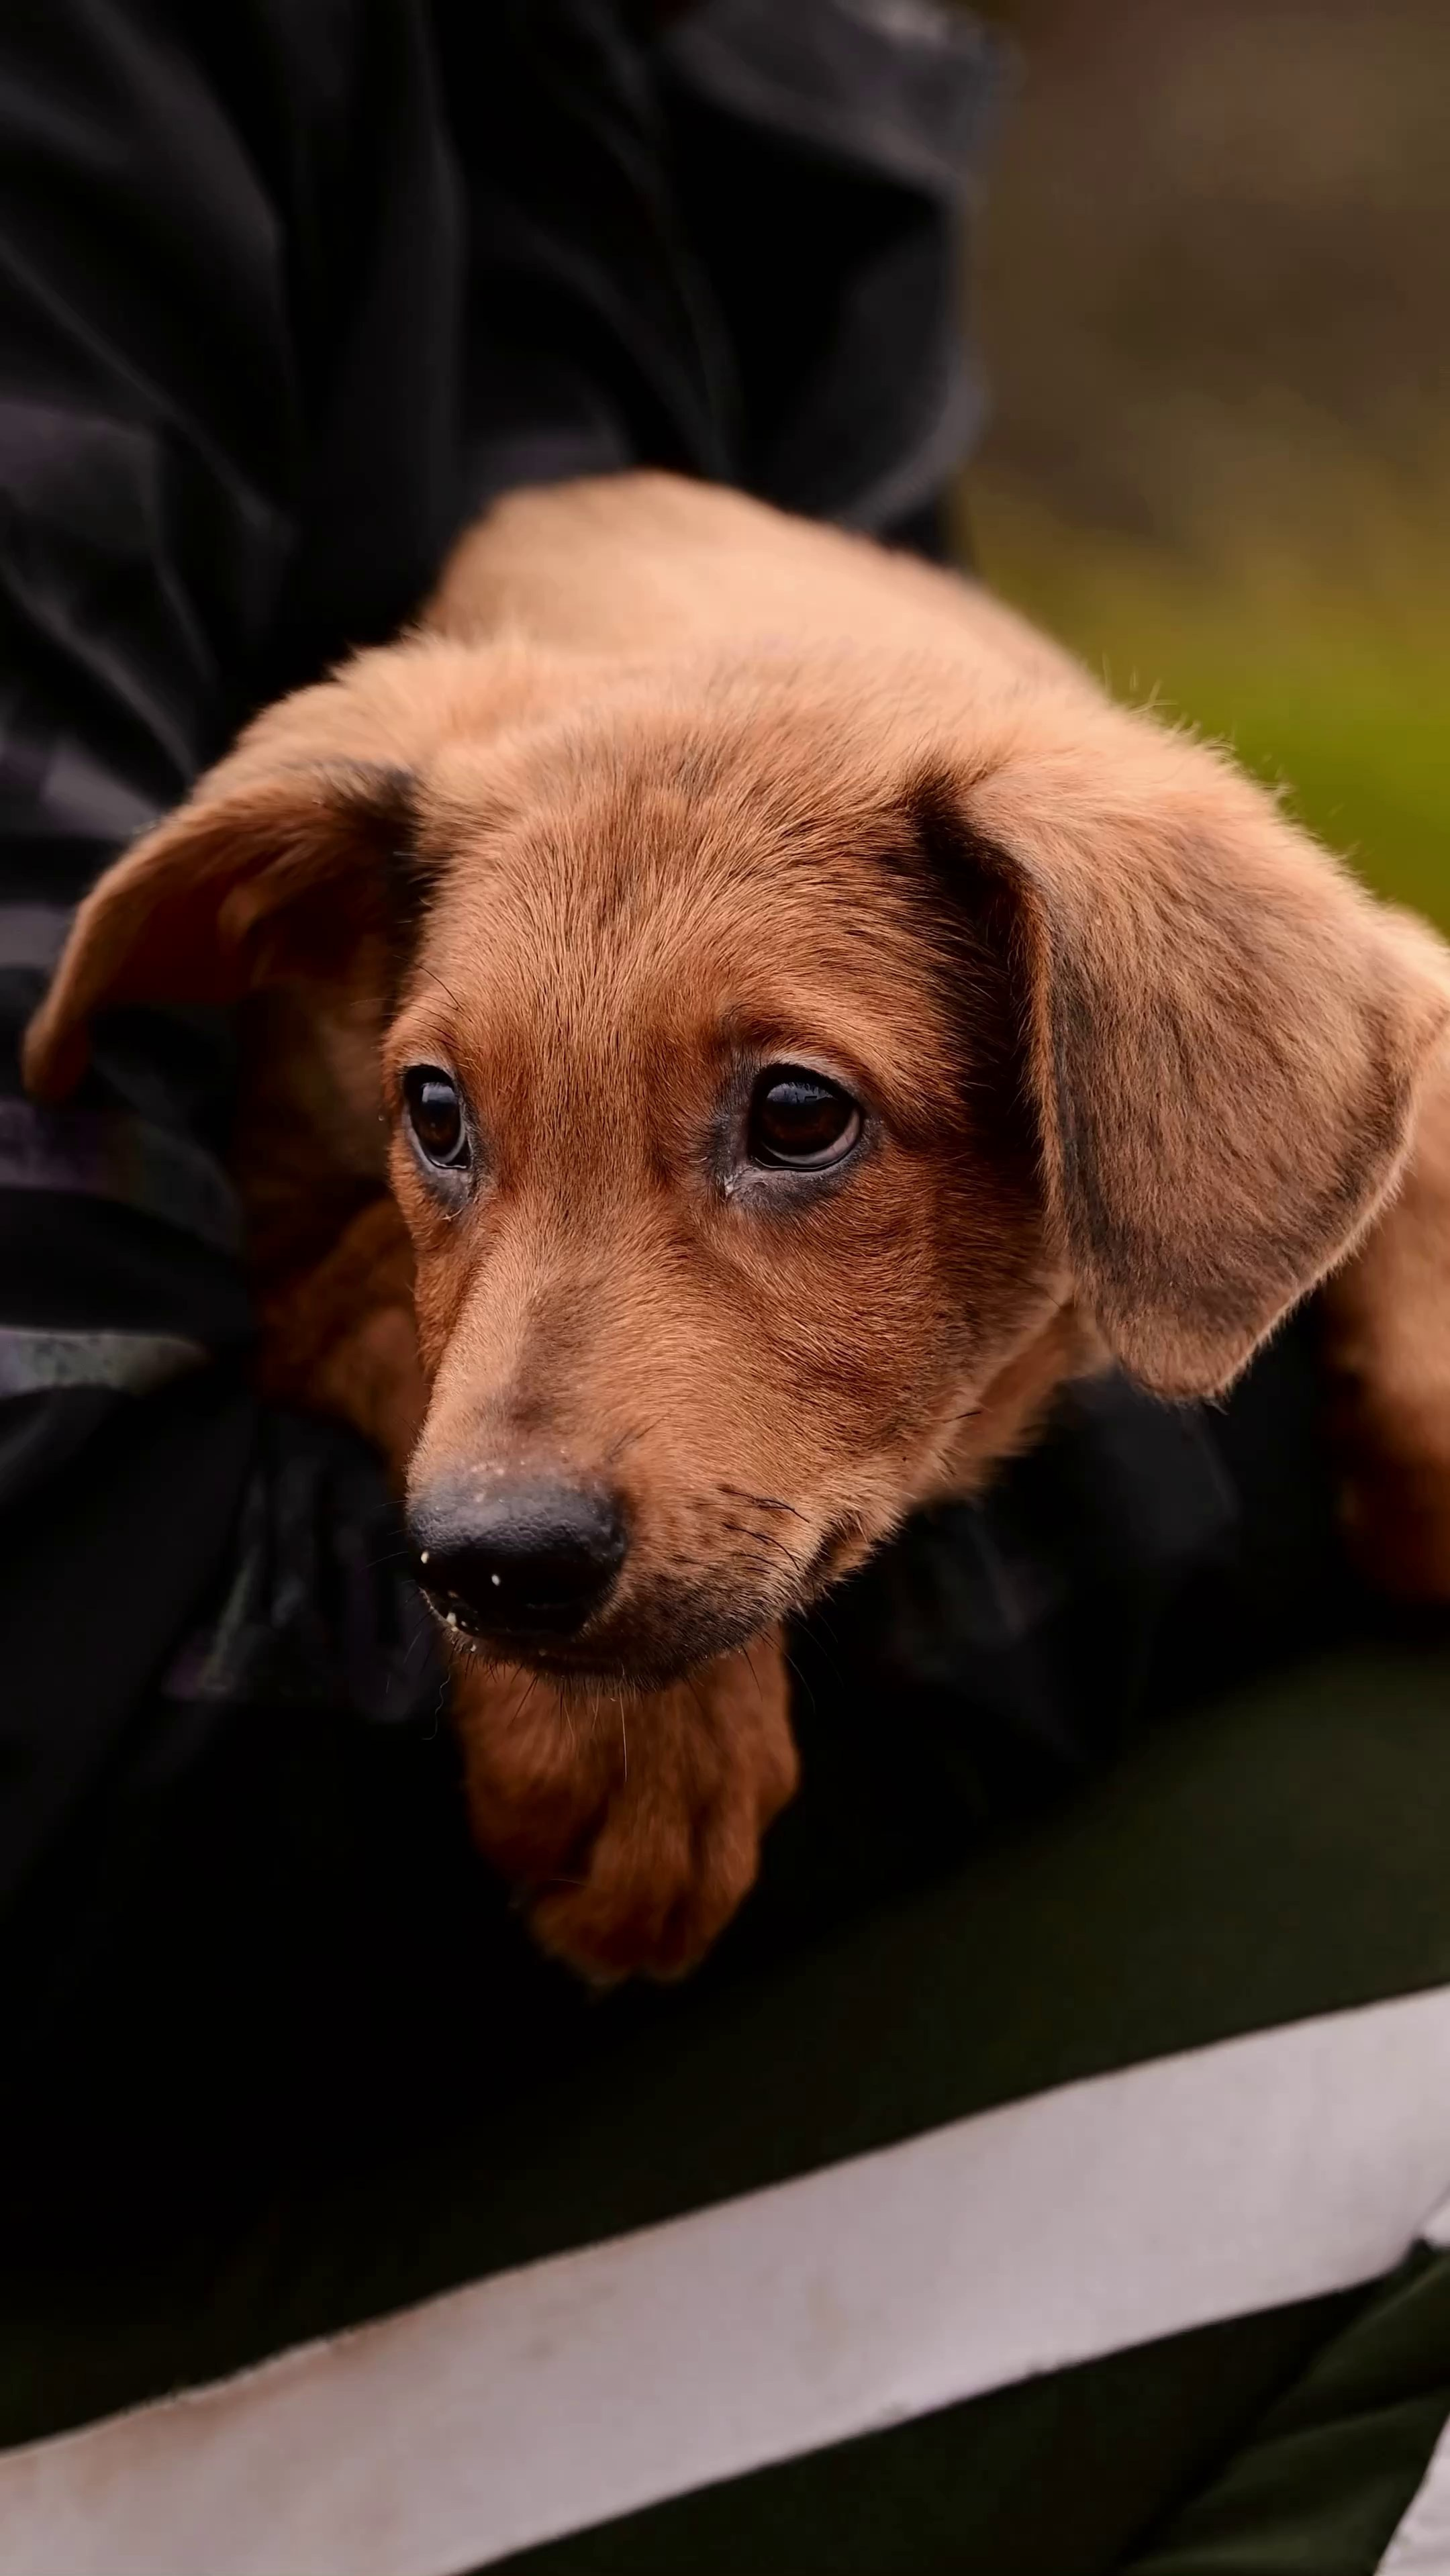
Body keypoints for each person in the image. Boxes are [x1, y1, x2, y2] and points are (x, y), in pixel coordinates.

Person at [2, 5, 1448, 2569]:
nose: (507, 1461)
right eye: (446, 1121)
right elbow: (69, 1667)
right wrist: (1272, 1464)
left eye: (786, 1126)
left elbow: (1196, 1051)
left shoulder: (784, 58)